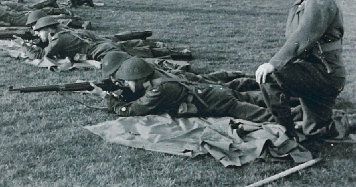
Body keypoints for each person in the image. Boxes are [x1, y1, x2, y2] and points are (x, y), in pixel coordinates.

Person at [255, 0, 345, 140]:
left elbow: (304, 35)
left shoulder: (319, 0)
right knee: (315, 130)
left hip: (324, 73)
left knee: (270, 78)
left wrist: (274, 64)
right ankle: (349, 122)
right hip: (314, 71)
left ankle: (287, 135)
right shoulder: (304, 1)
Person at [99, 57, 273, 122]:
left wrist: (113, 103)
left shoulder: (157, 90)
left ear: (140, 78)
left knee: (262, 115)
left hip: (216, 101)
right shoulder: (156, 75)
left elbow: (135, 109)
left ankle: (291, 116)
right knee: (255, 98)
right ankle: (284, 96)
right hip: (212, 91)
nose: (126, 84)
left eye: (129, 81)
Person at [24, 16, 193, 62]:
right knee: (135, 48)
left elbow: (41, 55)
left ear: (49, 29)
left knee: (139, 54)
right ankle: (177, 52)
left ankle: (178, 56)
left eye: (40, 32)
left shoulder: (57, 40)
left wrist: (25, 47)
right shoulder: (64, 31)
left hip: (98, 50)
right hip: (100, 43)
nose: (38, 35)